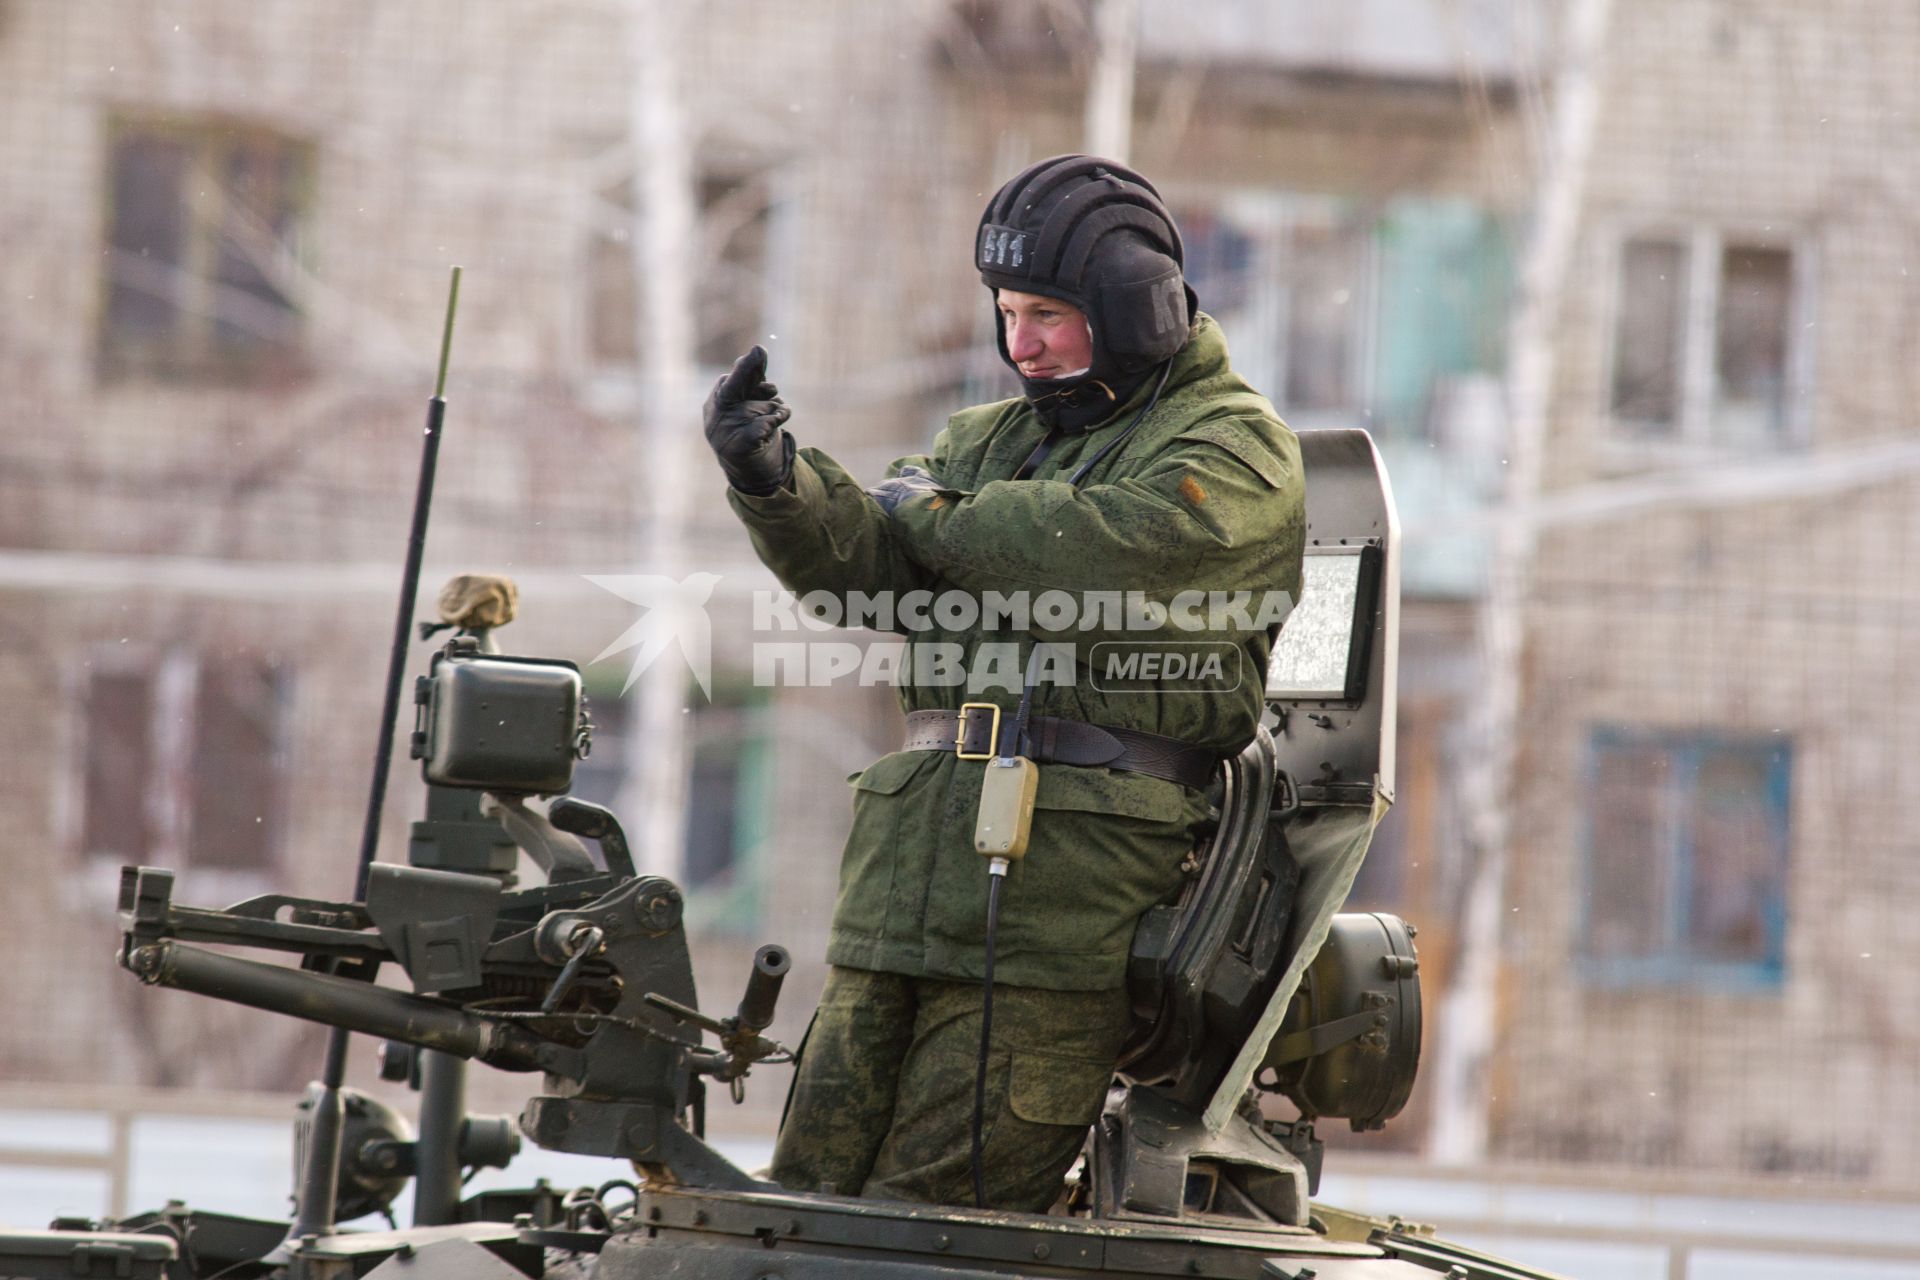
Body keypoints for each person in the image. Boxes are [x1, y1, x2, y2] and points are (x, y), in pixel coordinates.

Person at [701, 155, 1305, 1212]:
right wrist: (779, 482)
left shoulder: (1234, 446)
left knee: (940, 1225)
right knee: (803, 1206)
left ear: (1134, 311)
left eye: (1049, 315)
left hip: (1060, 902)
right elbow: (878, 578)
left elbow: (1109, 548)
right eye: (1007, 311)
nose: (1018, 342)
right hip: (906, 876)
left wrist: (933, 515)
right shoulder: (989, 439)